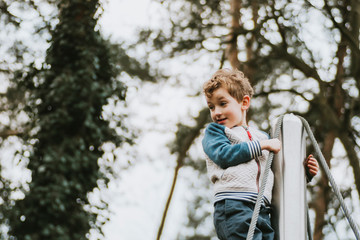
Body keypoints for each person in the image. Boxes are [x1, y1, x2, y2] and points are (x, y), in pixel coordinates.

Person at [202, 68, 319, 240]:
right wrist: (262, 145)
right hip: (234, 206)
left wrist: (305, 175)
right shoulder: (215, 132)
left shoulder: (261, 137)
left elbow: (275, 175)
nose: (216, 112)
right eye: (211, 107)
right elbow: (224, 155)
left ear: (244, 102)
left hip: (262, 209)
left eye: (223, 103)